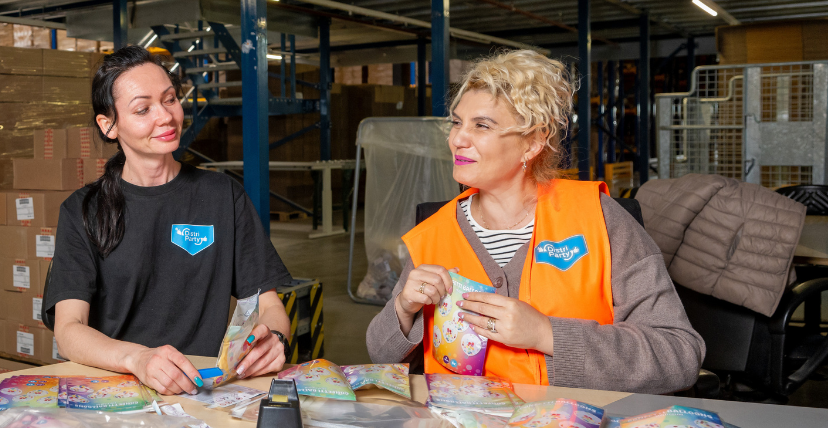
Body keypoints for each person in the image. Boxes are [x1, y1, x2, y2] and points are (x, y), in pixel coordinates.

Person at [365, 50, 705, 394]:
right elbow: (381, 356)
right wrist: (404, 309)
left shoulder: (599, 219)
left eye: (481, 125)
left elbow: (679, 355)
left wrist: (547, 334)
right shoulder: (432, 236)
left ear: (533, 142)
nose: (457, 139)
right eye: (456, 122)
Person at [41, 46, 293, 396]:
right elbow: (68, 330)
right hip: (119, 389)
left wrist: (274, 338)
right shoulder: (83, 210)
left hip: (201, 390)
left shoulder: (222, 195)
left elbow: (268, 305)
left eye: (170, 99)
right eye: (143, 109)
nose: (165, 116)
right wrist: (138, 359)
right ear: (109, 124)